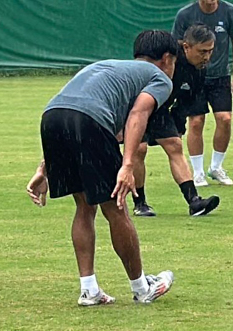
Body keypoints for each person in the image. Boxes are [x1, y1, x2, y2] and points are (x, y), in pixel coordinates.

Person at [27, 30, 179, 306]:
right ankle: (142, 287)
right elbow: (139, 114)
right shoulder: (159, 77)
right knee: (116, 207)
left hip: (51, 118)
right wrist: (128, 165)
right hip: (89, 121)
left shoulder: (109, 67)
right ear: (168, 59)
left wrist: (45, 166)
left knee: (85, 206)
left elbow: (69, 107)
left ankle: (89, 289)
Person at [131, 24, 221, 219]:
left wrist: (178, 124)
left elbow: (187, 100)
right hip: (138, 105)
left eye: (210, 51)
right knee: (139, 149)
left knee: (175, 145)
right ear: (186, 47)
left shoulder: (199, 69)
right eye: (202, 52)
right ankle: (140, 204)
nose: (206, 57)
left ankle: (194, 202)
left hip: (161, 108)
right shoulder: (167, 58)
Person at [173, 0, 233, 186]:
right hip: (194, 78)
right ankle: (197, 172)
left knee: (225, 119)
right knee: (196, 121)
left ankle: (216, 167)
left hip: (220, 77)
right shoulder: (185, 15)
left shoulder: (230, 12)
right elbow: (177, 47)